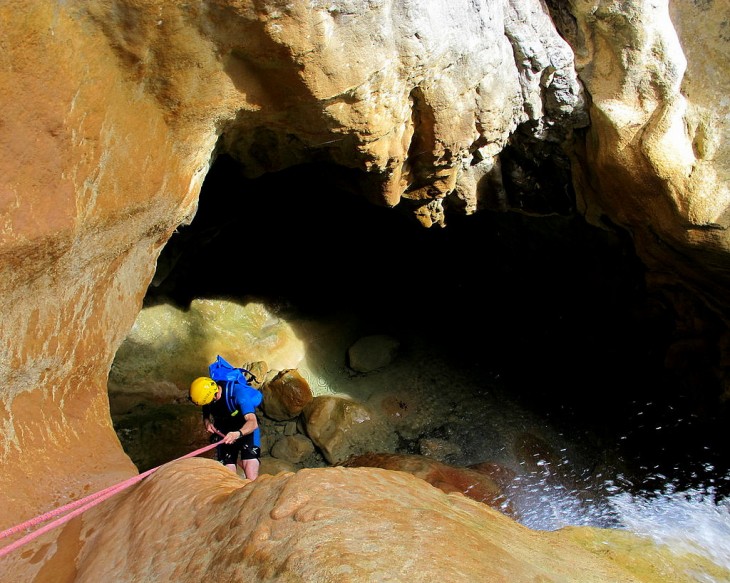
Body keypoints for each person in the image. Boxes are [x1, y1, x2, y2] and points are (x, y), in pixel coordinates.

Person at [189, 360, 263, 480]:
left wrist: (238, 433)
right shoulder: (209, 396)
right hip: (225, 428)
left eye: (208, 401)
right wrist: (207, 421)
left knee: (251, 473)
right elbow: (206, 407)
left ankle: (244, 464)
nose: (207, 404)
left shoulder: (238, 393)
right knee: (227, 473)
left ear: (214, 395)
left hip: (245, 427)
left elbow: (252, 422)